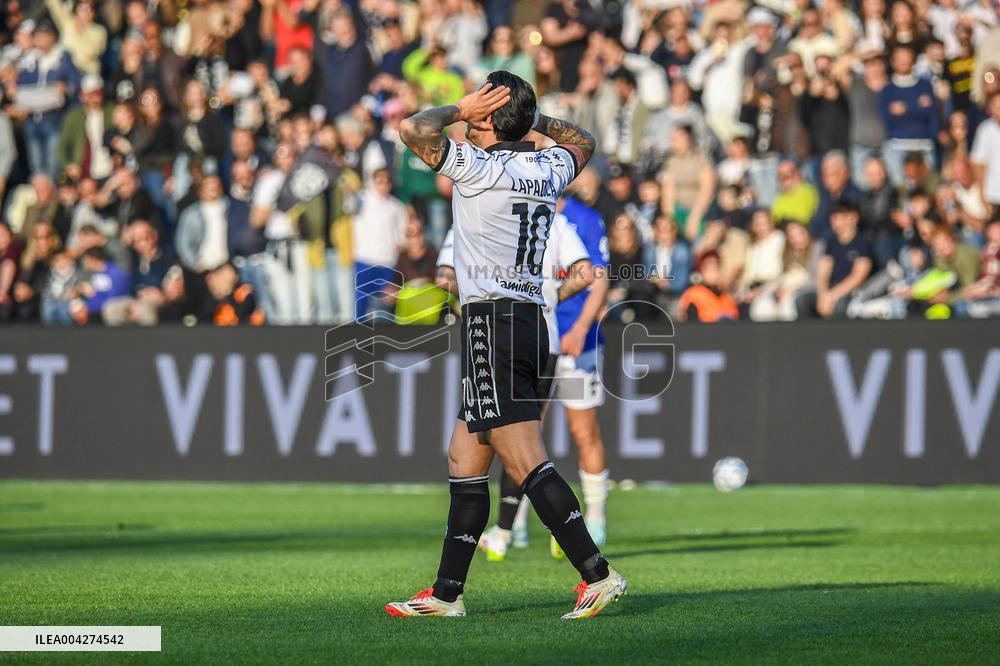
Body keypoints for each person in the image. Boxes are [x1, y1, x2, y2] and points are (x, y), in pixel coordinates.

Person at [386, 72, 626, 620]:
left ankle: (599, 574)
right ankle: (447, 595)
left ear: (489, 117)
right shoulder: (546, 167)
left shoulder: (477, 168)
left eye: (482, 103)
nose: (472, 110)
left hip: (490, 322)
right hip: (527, 323)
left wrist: (456, 107)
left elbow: (411, 128)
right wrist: (531, 119)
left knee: (525, 459)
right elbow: (582, 142)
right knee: (464, 457)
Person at [797, 202, 874, 318]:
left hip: (852, 291)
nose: (834, 221)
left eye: (839, 217)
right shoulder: (831, 243)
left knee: (840, 306)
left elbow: (858, 277)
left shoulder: (862, 243)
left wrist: (832, 296)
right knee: (802, 301)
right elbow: (823, 271)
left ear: (853, 217)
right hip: (830, 289)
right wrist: (822, 295)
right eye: (833, 217)